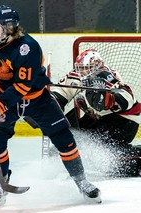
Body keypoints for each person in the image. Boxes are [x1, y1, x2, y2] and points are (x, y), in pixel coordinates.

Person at [0, 5, 101, 207]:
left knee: (63, 137)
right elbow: (1, 69)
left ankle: (82, 181)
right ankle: (0, 182)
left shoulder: (27, 48)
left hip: (37, 100)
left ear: (10, 27)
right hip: (7, 98)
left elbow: (22, 86)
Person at [50, 48, 141, 177]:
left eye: (86, 68)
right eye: (80, 68)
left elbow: (128, 98)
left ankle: (134, 155)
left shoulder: (107, 75)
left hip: (122, 122)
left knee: (114, 164)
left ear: (97, 65)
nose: (82, 71)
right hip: (96, 120)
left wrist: (112, 99)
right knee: (68, 146)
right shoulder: (74, 77)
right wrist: (47, 107)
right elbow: (60, 94)